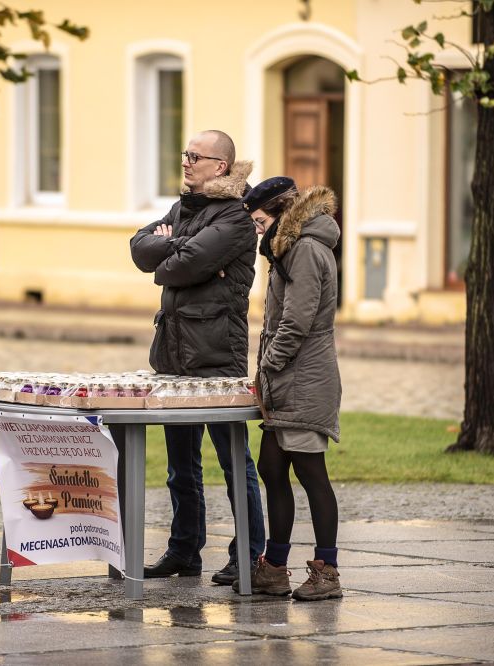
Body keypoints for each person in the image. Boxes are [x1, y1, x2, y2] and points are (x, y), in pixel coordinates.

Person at [129, 130, 265, 585]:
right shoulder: (183, 207)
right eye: (185, 154)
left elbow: (183, 265)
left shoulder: (237, 215)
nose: (185, 162)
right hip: (173, 354)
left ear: (220, 166)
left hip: (217, 355)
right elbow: (139, 249)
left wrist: (172, 252)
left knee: (234, 462)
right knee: (180, 467)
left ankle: (248, 555)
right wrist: (175, 248)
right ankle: (184, 551)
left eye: (195, 156)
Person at [233, 176, 343, 601]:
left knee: (312, 474)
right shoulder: (289, 247)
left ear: (281, 213)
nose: (257, 229)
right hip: (287, 380)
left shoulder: (305, 249)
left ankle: (327, 571)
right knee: (272, 468)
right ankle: (275, 568)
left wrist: (267, 366)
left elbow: (296, 322)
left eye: (260, 221)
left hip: (304, 380)